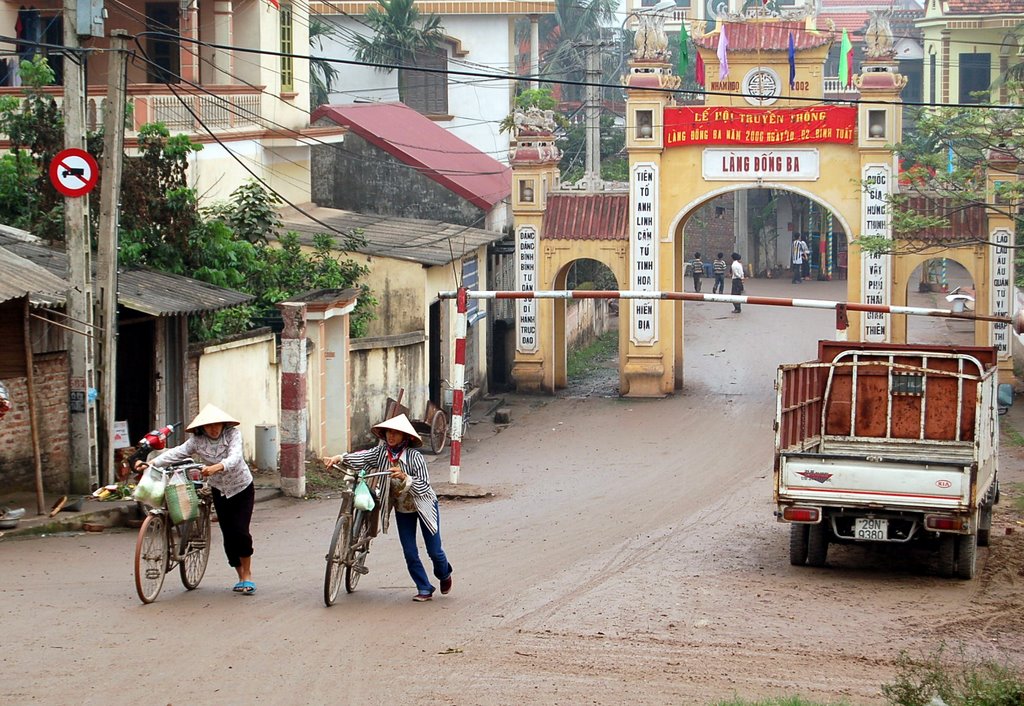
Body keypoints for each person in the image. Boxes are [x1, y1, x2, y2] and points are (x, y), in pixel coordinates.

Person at [323, 414, 453, 602]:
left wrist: (405, 477)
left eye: (395, 433)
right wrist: (339, 458)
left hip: (423, 505)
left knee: (435, 551)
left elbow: (425, 485)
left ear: (405, 437)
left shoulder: (415, 457)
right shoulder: (381, 453)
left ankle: (444, 574)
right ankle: (424, 587)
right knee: (409, 551)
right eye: (388, 433)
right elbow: (362, 457)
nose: (391, 436)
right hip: (403, 509)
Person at [137, 404, 257, 595]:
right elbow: (176, 453)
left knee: (241, 531)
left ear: (223, 424)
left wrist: (217, 467)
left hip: (241, 487)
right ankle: (239, 574)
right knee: (228, 535)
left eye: (217, 425)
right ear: (202, 428)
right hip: (219, 489)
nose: (214, 429)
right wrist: (151, 463)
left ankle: (248, 575)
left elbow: (235, 457)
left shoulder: (232, 435)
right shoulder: (196, 441)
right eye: (209, 426)